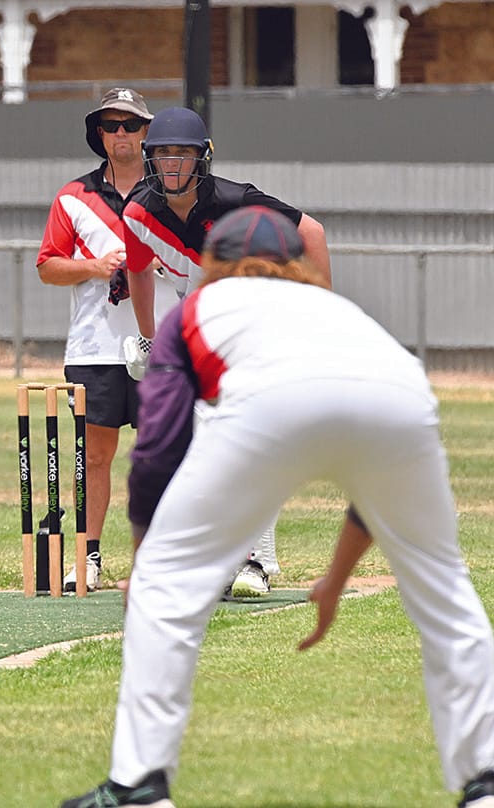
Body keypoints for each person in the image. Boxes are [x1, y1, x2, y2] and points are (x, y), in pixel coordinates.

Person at [61, 207, 494, 808]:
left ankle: (139, 786)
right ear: (299, 264)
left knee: (166, 588)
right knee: (445, 588)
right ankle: (486, 782)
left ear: (212, 262)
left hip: (269, 403)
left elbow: (157, 448)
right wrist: (335, 580)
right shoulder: (346, 314)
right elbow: (376, 492)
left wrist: (147, 560)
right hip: (401, 390)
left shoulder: (194, 310)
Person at [120, 106, 331, 598]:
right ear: (150, 159)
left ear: (203, 159)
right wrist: (148, 339)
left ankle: (253, 561)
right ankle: (231, 556)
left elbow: (311, 234)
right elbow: (136, 270)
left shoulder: (237, 200)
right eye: (164, 154)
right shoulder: (138, 211)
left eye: (184, 154)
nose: (172, 164)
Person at [37, 86, 173, 592]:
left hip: (160, 342)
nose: (122, 134)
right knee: (95, 455)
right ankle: (88, 557)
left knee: (164, 452)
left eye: (132, 125)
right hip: (95, 346)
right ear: (99, 133)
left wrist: (159, 263)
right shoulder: (73, 197)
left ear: (147, 133)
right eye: (112, 125)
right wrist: (95, 267)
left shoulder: (171, 194)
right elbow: (48, 266)